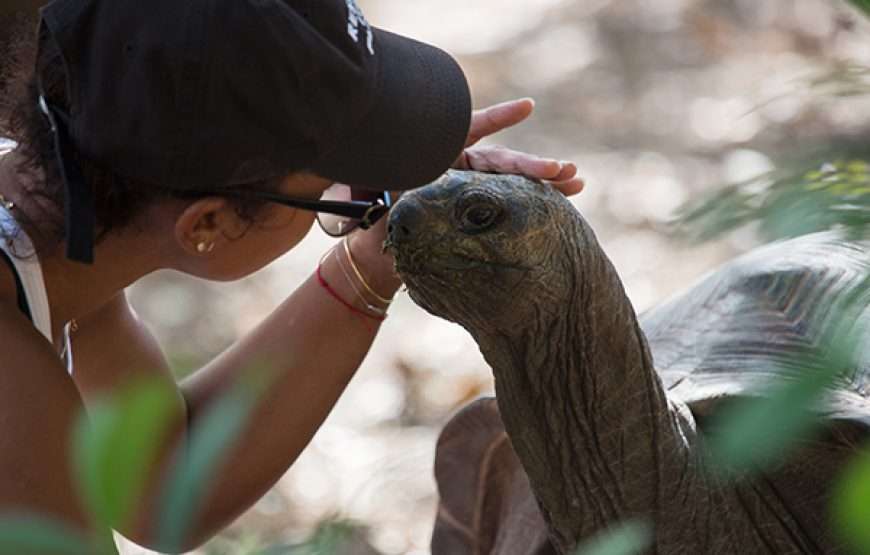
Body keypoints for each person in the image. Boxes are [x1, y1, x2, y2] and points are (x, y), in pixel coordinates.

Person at [0, 0, 584, 551]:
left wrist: (377, 249)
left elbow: (160, 482)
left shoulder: (62, 241)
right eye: (329, 197)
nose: (350, 196)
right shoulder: (18, 408)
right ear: (210, 222)